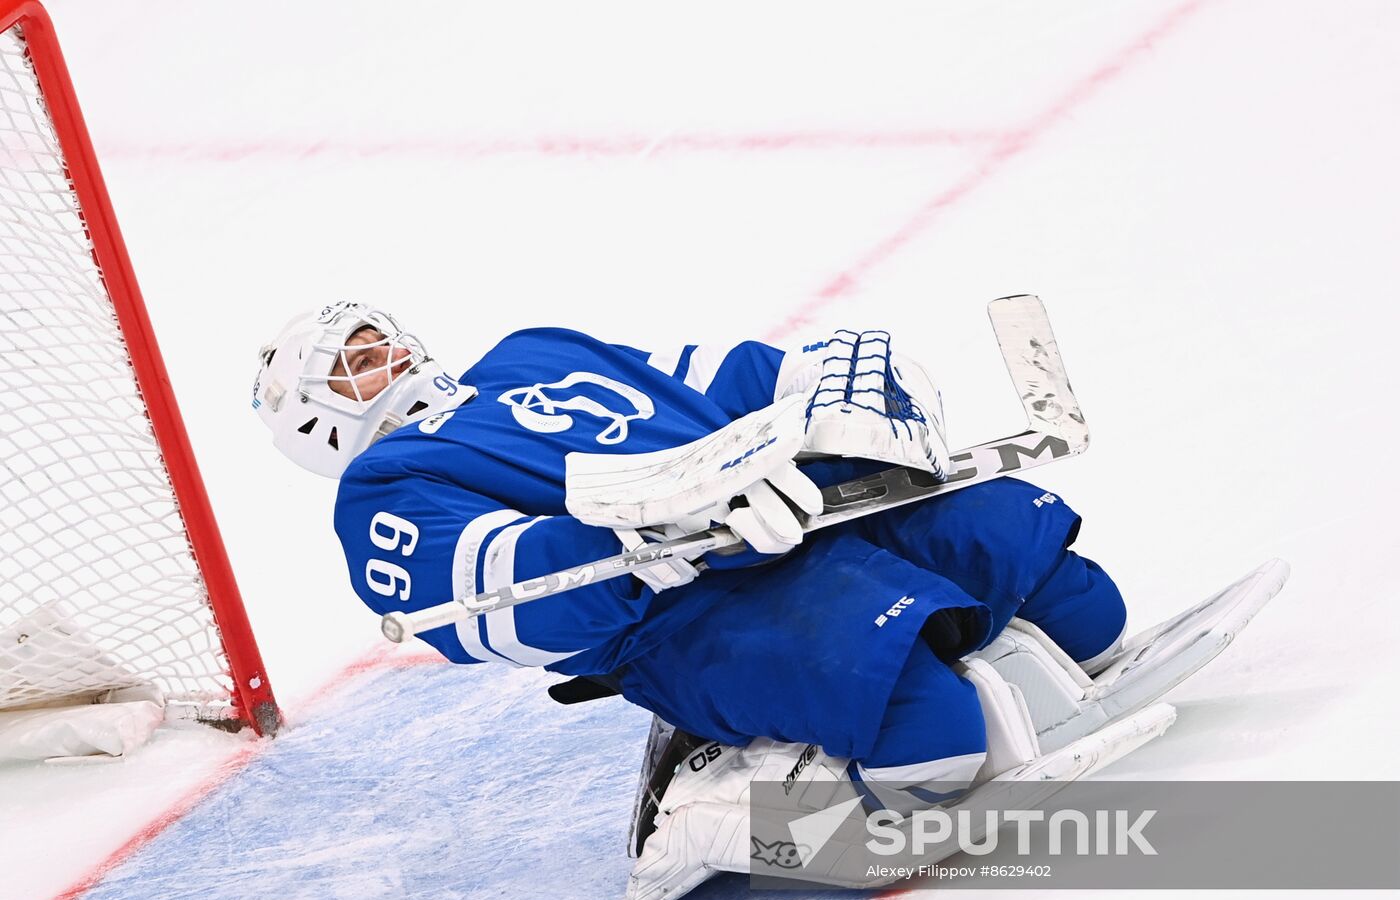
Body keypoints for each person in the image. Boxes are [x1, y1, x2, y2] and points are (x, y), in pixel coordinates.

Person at [253, 299, 1126, 839]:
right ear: (315, 423)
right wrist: (655, 529)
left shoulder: (529, 350)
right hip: (679, 615)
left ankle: (947, 654)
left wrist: (823, 384)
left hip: (802, 515)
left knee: (1087, 609)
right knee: (933, 741)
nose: (388, 354)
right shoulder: (384, 485)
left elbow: (708, 382)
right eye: (355, 363)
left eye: (379, 338)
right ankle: (719, 798)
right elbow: (495, 597)